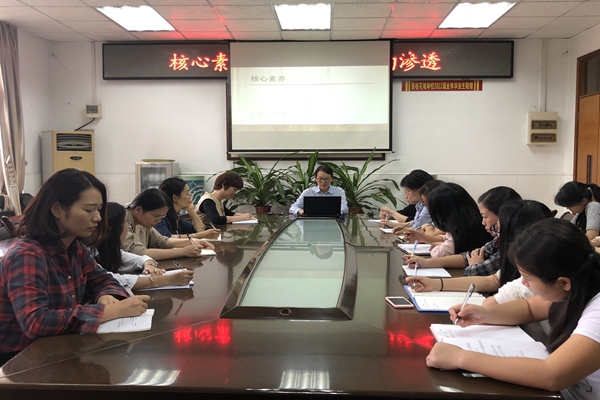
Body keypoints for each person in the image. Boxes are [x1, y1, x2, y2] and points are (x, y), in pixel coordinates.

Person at [426, 218, 600, 400]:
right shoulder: (576, 287)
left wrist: (460, 357)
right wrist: (483, 314)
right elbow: (529, 308)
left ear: (563, 282)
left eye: (528, 278)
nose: (524, 283)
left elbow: (551, 375)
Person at [0, 169, 149, 365]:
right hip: (18, 361)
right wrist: (111, 312)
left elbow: (104, 279)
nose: (97, 217)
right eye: (89, 210)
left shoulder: (74, 248)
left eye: (99, 209)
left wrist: (105, 295)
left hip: (58, 348)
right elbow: (36, 322)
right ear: (57, 210)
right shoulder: (27, 255)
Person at [406, 200, 554, 297]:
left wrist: (474, 266)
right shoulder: (502, 241)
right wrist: (432, 282)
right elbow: (493, 279)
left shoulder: (522, 252)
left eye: (499, 224)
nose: (494, 227)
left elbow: (485, 277)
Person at [403, 186, 521, 275]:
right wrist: (425, 262)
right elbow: (467, 256)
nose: (483, 222)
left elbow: (476, 272)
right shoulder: (498, 239)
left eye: (485, 216)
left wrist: (474, 266)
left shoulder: (513, 243)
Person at [93, 202, 194, 291]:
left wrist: (148, 264)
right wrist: (167, 279)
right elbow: (108, 279)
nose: (159, 220)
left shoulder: (110, 249)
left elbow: (142, 256)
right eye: (125, 224)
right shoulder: (91, 251)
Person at [400, 182, 491, 258]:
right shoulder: (466, 219)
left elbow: (437, 254)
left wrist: (438, 244)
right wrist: (423, 237)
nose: (427, 208)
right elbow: (446, 237)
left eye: (426, 203)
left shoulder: (463, 227)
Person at [122, 188, 214, 260]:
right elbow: (139, 253)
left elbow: (161, 241)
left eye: (161, 217)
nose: (158, 221)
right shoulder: (121, 220)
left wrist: (192, 241)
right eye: (156, 216)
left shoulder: (142, 220)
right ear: (138, 210)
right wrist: (182, 252)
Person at [155, 178, 220, 240]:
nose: (190, 197)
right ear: (175, 197)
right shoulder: (160, 217)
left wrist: (191, 210)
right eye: (187, 193)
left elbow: (199, 230)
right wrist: (200, 235)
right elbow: (166, 238)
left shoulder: (175, 217)